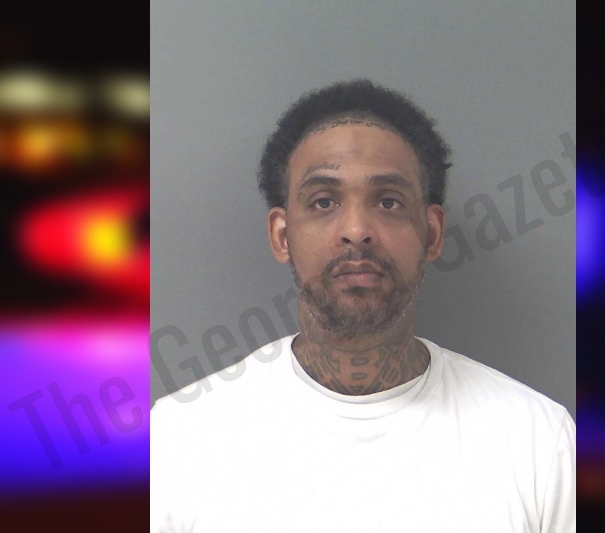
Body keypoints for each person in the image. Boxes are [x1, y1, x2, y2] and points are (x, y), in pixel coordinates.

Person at [151, 79, 575, 532]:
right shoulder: (179, 440)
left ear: (432, 234)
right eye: (324, 201)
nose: (356, 230)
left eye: (388, 201)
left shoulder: (539, 443)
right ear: (282, 235)